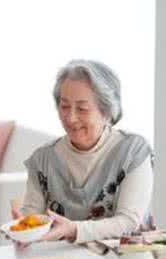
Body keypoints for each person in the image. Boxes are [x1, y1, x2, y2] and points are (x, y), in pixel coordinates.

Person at [14, 59, 153, 244]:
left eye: (82, 108)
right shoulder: (42, 160)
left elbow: (128, 222)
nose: (71, 118)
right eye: (64, 106)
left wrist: (74, 229)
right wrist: (23, 229)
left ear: (107, 112)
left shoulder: (133, 151)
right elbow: (33, 219)